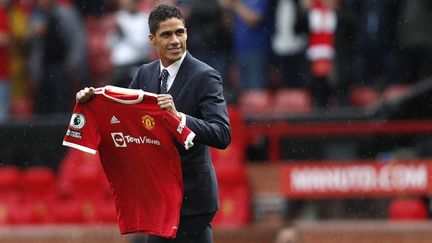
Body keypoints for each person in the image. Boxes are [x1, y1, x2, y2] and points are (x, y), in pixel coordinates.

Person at [76, 4, 231, 243]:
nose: (175, 40)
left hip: (192, 198)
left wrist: (179, 117)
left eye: (180, 32)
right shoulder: (144, 74)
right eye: (166, 34)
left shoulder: (205, 76)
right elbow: (121, 117)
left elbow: (222, 134)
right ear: (152, 39)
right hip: (158, 196)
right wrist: (91, 101)